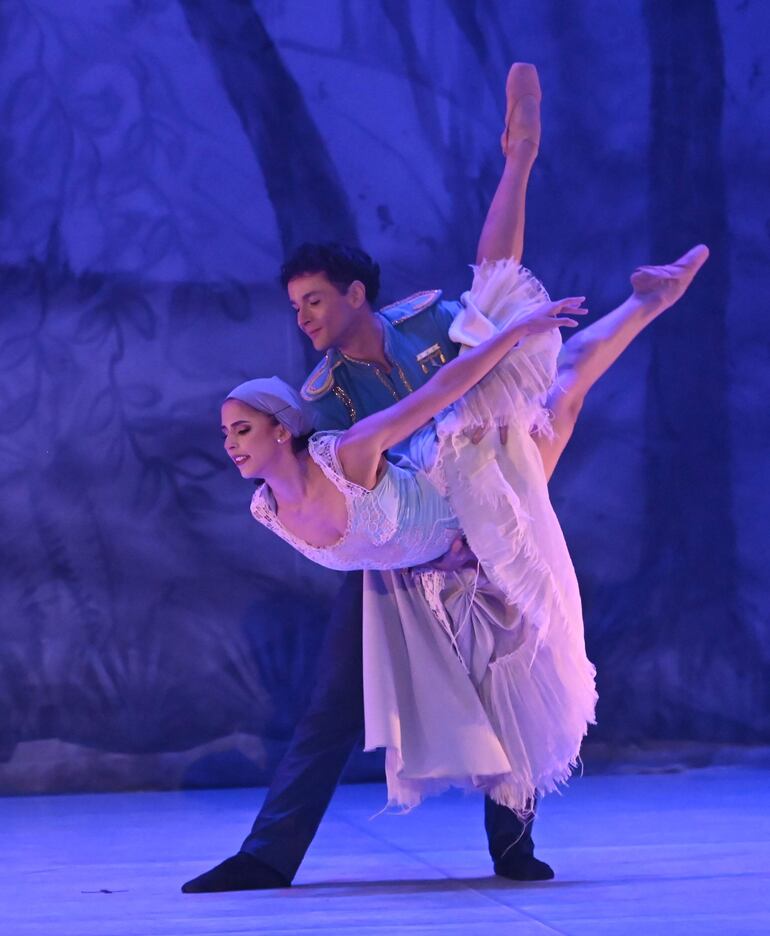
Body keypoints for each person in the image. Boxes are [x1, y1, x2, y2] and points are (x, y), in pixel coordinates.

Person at [182, 59, 708, 891]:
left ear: (357, 294)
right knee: (330, 700)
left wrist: (514, 331)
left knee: (539, 382)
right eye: (296, 307)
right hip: (409, 538)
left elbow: (462, 368)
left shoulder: (424, 318)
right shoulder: (323, 397)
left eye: (315, 300)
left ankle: (528, 166)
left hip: (484, 491)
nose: (305, 317)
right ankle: (264, 856)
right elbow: (327, 473)